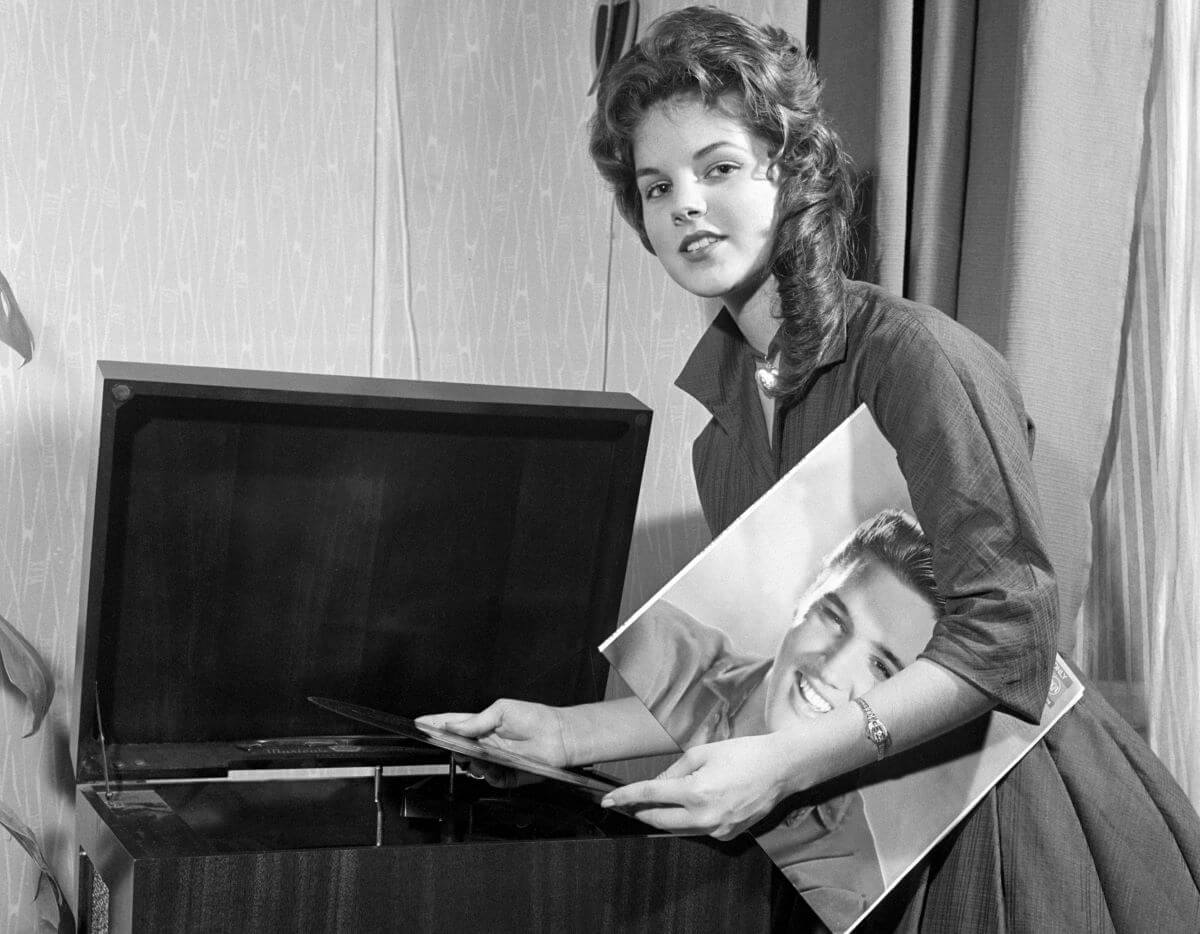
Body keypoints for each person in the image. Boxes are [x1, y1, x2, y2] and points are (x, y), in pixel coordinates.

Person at [420, 7, 1200, 931]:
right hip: (863, 826)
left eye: (718, 168)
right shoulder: (719, 432)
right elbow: (766, 672)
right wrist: (565, 732)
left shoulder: (916, 359)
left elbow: (1011, 633)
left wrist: (787, 766)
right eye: (657, 187)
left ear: (791, 172)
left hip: (1006, 814)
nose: (686, 208)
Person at [605, 509, 939, 932]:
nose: (832, 670)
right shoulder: (657, 644)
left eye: (881, 667)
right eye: (835, 618)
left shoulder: (848, 888)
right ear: (805, 596)